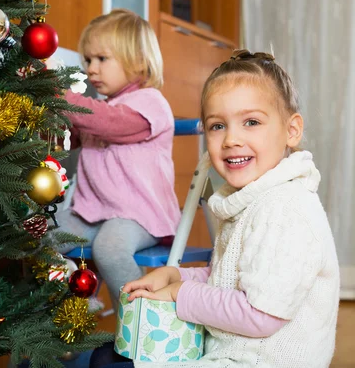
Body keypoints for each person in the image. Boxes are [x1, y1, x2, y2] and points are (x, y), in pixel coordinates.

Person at [92, 49, 340, 368]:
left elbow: (260, 314)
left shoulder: (285, 208)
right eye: (217, 126)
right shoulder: (251, 198)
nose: (231, 139)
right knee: (104, 355)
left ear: (291, 130)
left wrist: (180, 294)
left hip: (259, 361)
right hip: (228, 352)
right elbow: (231, 278)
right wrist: (175, 275)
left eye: (251, 122)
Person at [56, 9, 181, 306]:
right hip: (95, 211)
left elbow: (109, 123)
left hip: (139, 214)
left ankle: (138, 321)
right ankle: (75, 300)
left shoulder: (148, 103)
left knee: (110, 249)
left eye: (102, 59)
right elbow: (73, 138)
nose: (91, 69)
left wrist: (60, 97)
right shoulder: (104, 108)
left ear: (137, 61)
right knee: (45, 231)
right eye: (88, 60)